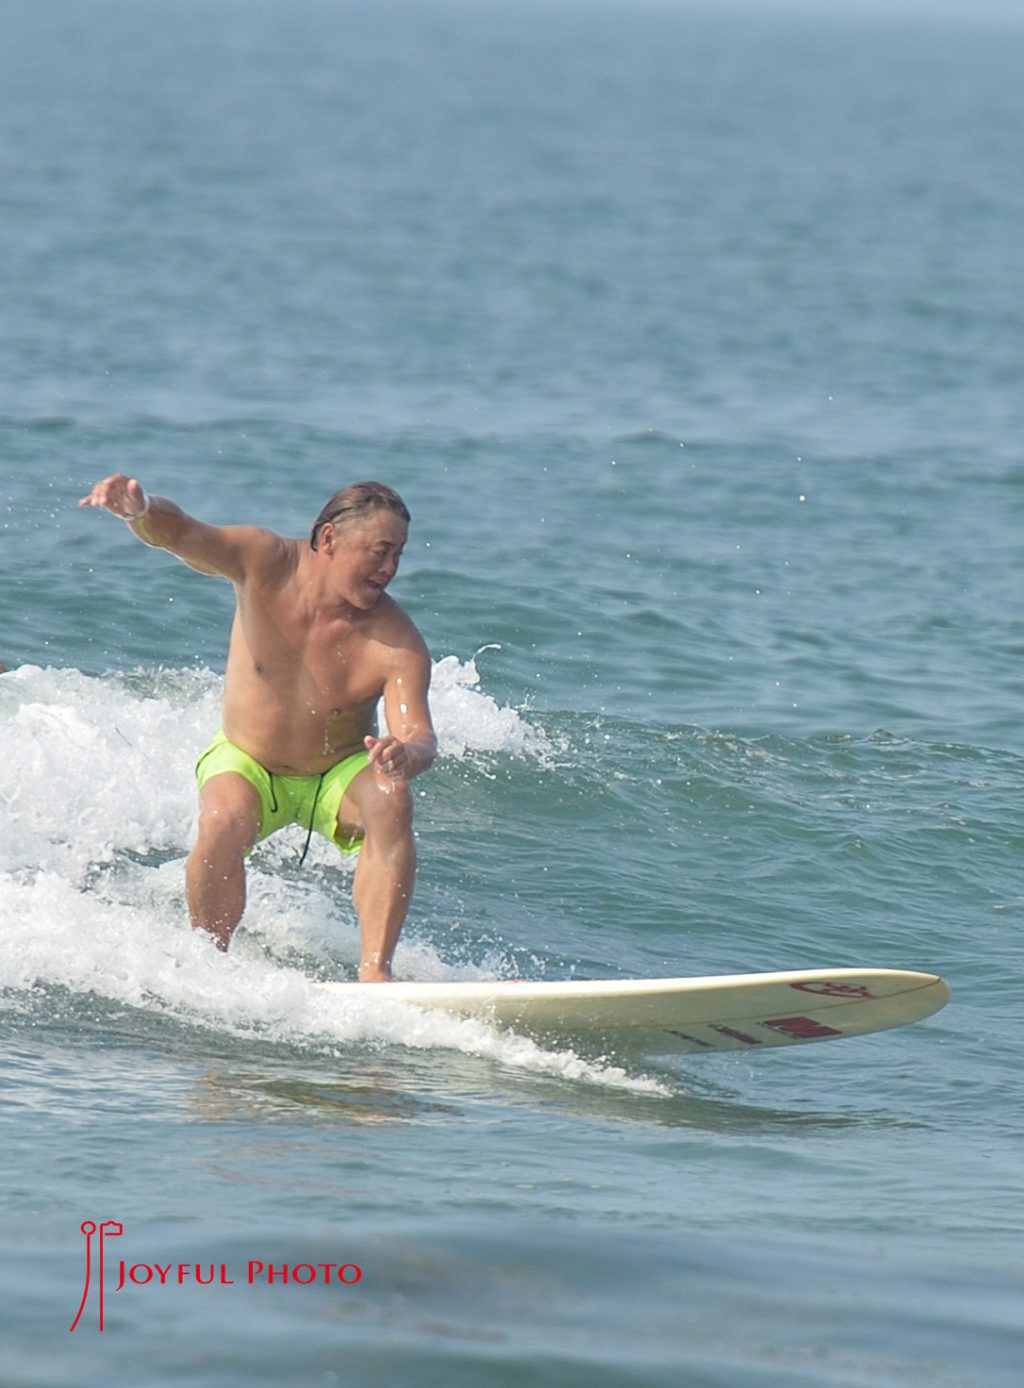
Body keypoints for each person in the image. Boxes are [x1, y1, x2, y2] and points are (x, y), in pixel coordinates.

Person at [79, 474, 436, 980]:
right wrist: (141, 511)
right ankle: (209, 963)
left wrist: (406, 754)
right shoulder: (265, 562)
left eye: (398, 554)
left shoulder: (396, 640)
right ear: (329, 539)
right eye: (379, 551)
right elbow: (183, 534)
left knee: (392, 796)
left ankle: (375, 973)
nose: (390, 568)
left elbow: (420, 734)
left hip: (335, 776)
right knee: (223, 818)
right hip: (247, 760)